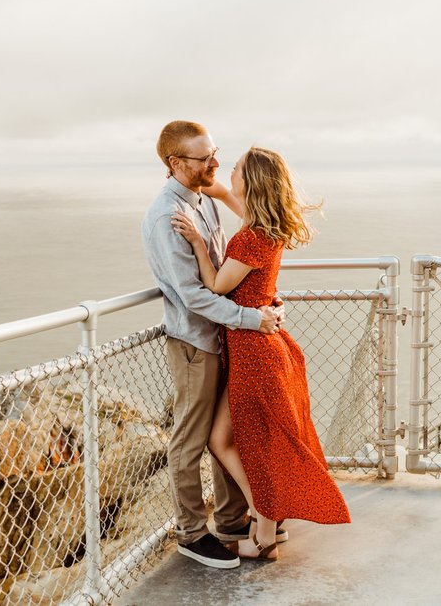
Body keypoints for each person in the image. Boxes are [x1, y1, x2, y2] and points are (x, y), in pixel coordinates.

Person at [171, 146, 351, 561]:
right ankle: (264, 517)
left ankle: (265, 528)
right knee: (238, 441)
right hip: (263, 349)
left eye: (233, 168)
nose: (226, 171)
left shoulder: (251, 237)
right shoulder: (264, 224)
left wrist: (198, 242)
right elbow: (224, 193)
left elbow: (216, 286)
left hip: (255, 353)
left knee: (236, 441)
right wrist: (197, 173)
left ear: (250, 181)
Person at [141, 121, 284, 569]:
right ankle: (191, 532)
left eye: (215, 153)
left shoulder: (201, 200)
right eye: (205, 159)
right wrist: (252, 319)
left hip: (225, 337)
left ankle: (230, 519)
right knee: (191, 437)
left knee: (230, 430)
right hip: (195, 343)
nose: (215, 163)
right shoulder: (168, 216)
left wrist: (262, 302)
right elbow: (194, 296)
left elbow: (226, 269)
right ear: (175, 164)